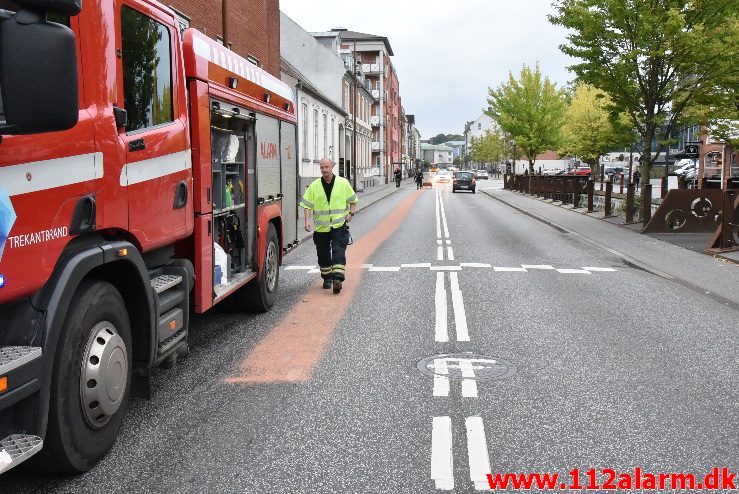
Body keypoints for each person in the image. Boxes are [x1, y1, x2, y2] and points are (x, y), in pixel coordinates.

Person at [300, 158, 358, 294]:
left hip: (339, 225)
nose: (324, 170)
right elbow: (307, 205)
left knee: (338, 251)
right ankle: (327, 278)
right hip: (321, 228)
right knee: (323, 254)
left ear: (332, 167)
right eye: (322, 168)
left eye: (327, 167)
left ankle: (337, 279)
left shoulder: (343, 183)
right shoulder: (314, 186)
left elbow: (353, 200)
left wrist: (351, 213)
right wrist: (307, 220)